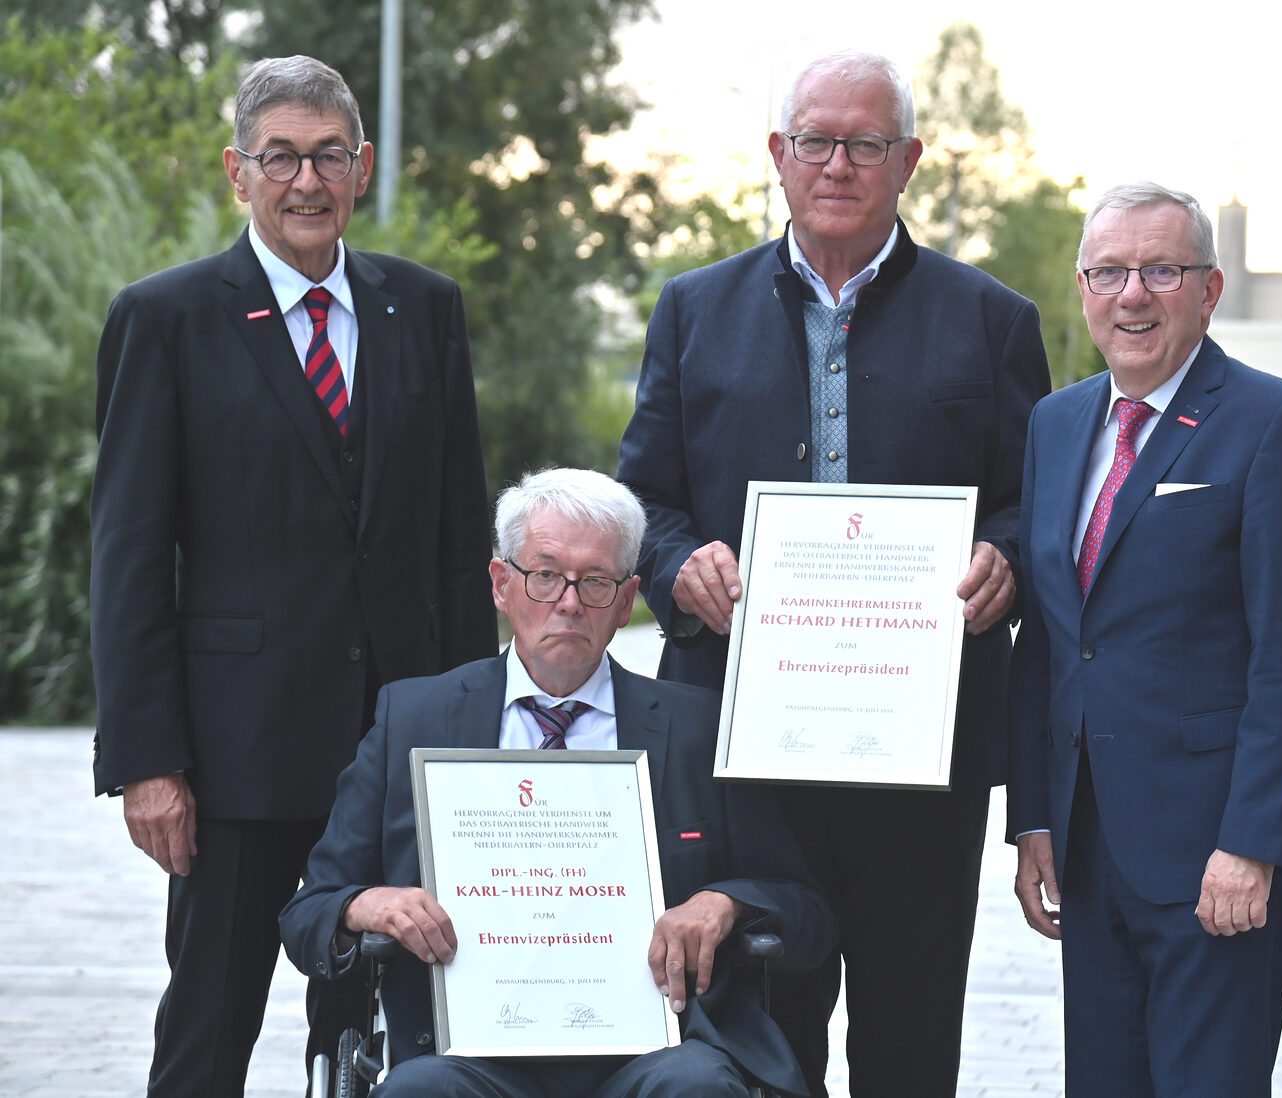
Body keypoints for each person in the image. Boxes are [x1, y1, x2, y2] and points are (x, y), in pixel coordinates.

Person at [617, 49, 1051, 1097]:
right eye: (816, 141)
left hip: (922, 747)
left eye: (865, 144)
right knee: (758, 1038)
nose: (838, 164)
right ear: (778, 154)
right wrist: (678, 570)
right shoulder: (693, 308)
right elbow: (643, 507)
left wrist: (1006, 555)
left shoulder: (991, 320)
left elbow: (1033, 500)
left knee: (909, 1035)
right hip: (740, 744)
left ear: (907, 159)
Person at [89, 54, 499, 1097]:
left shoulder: (425, 309)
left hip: (398, 753)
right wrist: (146, 760)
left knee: (392, 1035)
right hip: (234, 764)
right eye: (281, 157)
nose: (306, 181)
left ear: (360, 168)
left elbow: (459, 542)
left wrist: (474, 739)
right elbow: (130, 553)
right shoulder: (167, 319)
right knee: (208, 1029)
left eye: (328, 157)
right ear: (238, 171)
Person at [280, 467, 837, 1098]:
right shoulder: (412, 718)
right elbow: (309, 911)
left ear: (627, 601)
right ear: (501, 584)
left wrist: (726, 903)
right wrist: (365, 905)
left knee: (699, 1087)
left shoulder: (696, 728)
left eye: (595, 581)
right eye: (545, 575)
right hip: (463, 1053)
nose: (568, 602)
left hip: (656, 1051)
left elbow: (807, 913)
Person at [1008, 181, 1282, 1097]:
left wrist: (1254, 845)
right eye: (1110, 271)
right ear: (1083, 287)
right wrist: (1035, 816)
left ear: (1209, 288)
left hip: (1215, 854)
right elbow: (1046, 639)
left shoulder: (1277, 423)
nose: (1133, 295)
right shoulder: (1057, 423)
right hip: (1087, 845)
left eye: (1162, 269)